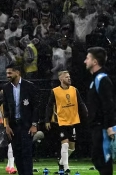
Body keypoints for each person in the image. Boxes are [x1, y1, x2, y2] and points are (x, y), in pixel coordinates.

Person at [45, 70, 88, 173]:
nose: (69, 78)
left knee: (72, 148)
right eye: (66, 77)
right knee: (65, 144)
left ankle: (61, 162)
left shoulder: (74, 90)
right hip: (61, 121)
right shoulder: (55, 91)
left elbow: (81, 103)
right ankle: (66, 167)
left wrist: (86, 113)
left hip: (73, 121)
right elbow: (49, 106)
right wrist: (47, 120)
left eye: (69, 76)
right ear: (61, 79)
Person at [2, 61, 40, 175]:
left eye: (10, 73)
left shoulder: (29, 86)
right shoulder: (6, 88)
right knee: (17, 153)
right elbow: (6, 108)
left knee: (27, 153)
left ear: (17, 72)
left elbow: (36, 106)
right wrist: (7, 125)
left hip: (26, 125)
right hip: (13, 126)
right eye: (7, 73)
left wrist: (34, 124)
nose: (8, 76)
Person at [84, 47, 116, 175]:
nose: (85, 61)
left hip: (102, 128)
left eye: (87, 58)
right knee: (97, 158)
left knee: (103, 161)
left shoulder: (102, 79)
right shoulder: (95, 80)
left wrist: (109, 126)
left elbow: (108, 105)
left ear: (95, 62)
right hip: (96, 127)